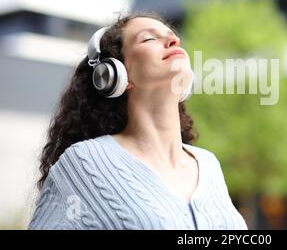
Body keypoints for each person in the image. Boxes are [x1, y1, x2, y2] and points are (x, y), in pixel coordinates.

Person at [28, 13, 248, 230]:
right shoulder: (83, 162)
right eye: (149, 38)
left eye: (172, 36)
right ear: (116, 74)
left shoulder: (208, 165)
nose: (174, 41)